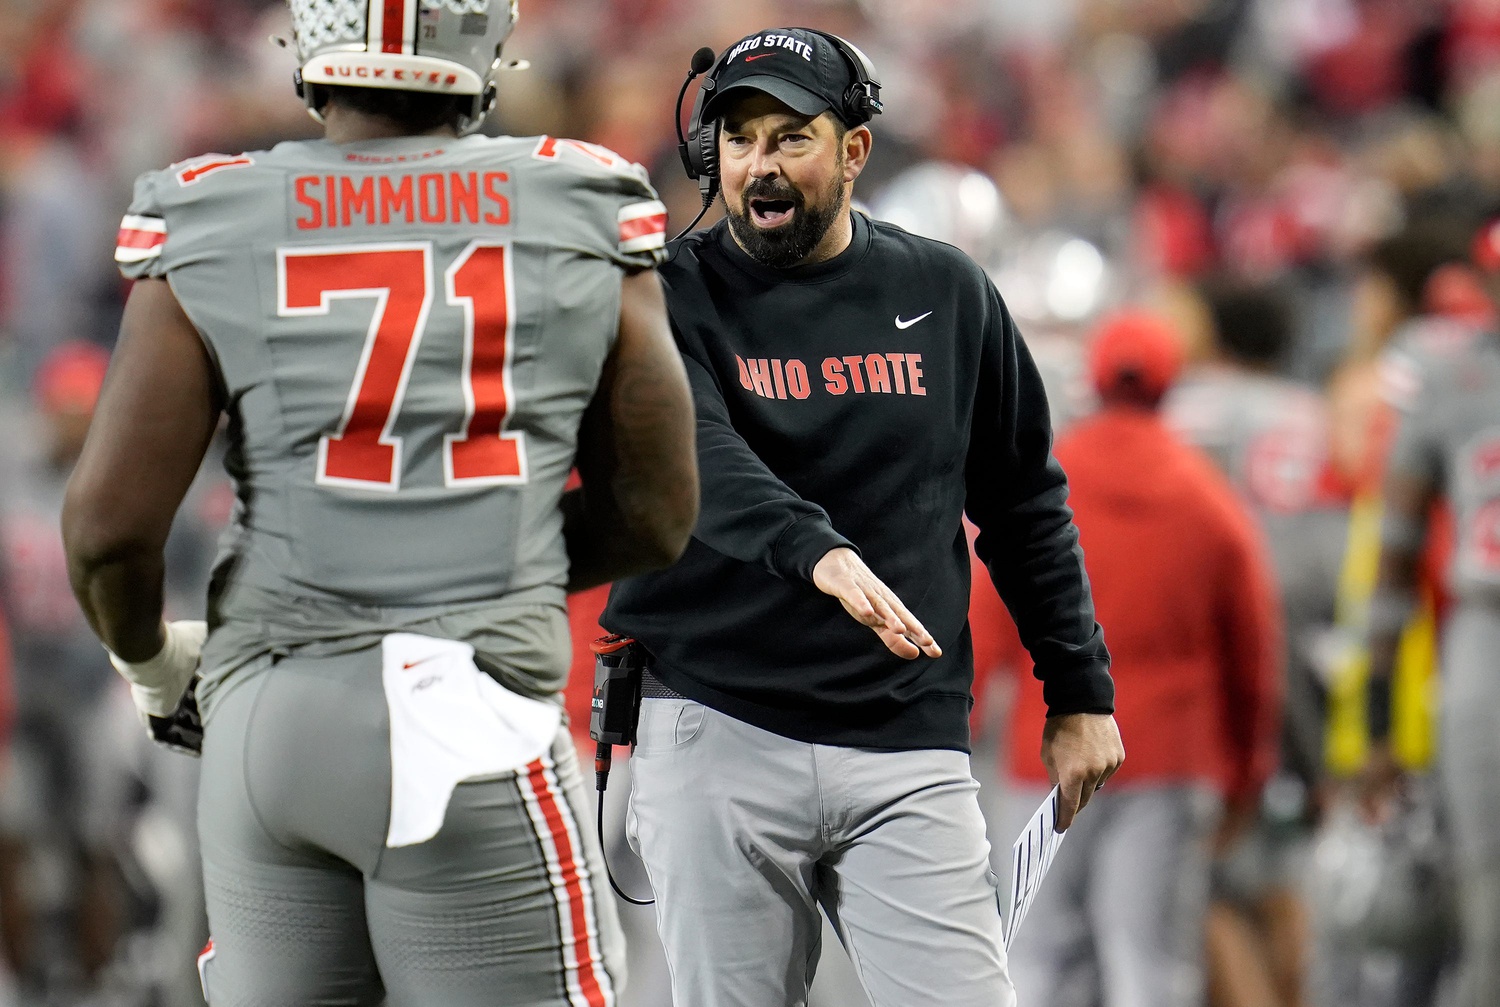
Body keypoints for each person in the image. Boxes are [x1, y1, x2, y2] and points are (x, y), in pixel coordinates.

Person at [59, 2, 699, 1004]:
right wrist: (484, 559)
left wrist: (150, 661)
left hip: (264, 721)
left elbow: (106, 528)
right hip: (464, 714)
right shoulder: (579, 201)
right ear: (484, 47)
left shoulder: (214, 211)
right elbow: (659, 508)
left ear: (312, 46)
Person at [603, 27, 1124, 1007]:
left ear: (854, 151)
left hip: (905, 735)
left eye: (791, 136)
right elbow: (696, 456)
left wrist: (1080, 689)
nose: (760, 162)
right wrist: (818, 553)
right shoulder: (668, 292)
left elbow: (1023, 499)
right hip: (716, 720)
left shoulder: (947, 292)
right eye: (741, 137)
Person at [993, 312, 1282, 1007]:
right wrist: (1248, 768)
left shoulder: (1042, 481)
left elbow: (983, 611)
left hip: (1047, 752)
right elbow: (1254, 652)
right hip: (1170, 757)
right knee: (1151, 968)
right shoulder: (1209, 498)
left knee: (1037, 962)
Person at [1164, 280, 1343, 1007]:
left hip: (1213, 644)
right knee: (1284, 863)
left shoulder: (1190, 406)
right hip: (1312, 640)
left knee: (1205, 875)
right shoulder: (1311, 411)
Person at [1362, 217, 1500, 1007]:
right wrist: (1378, 711)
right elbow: (1395, 552)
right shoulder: (1449, 374)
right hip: (1485, 627)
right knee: (1487, 897)